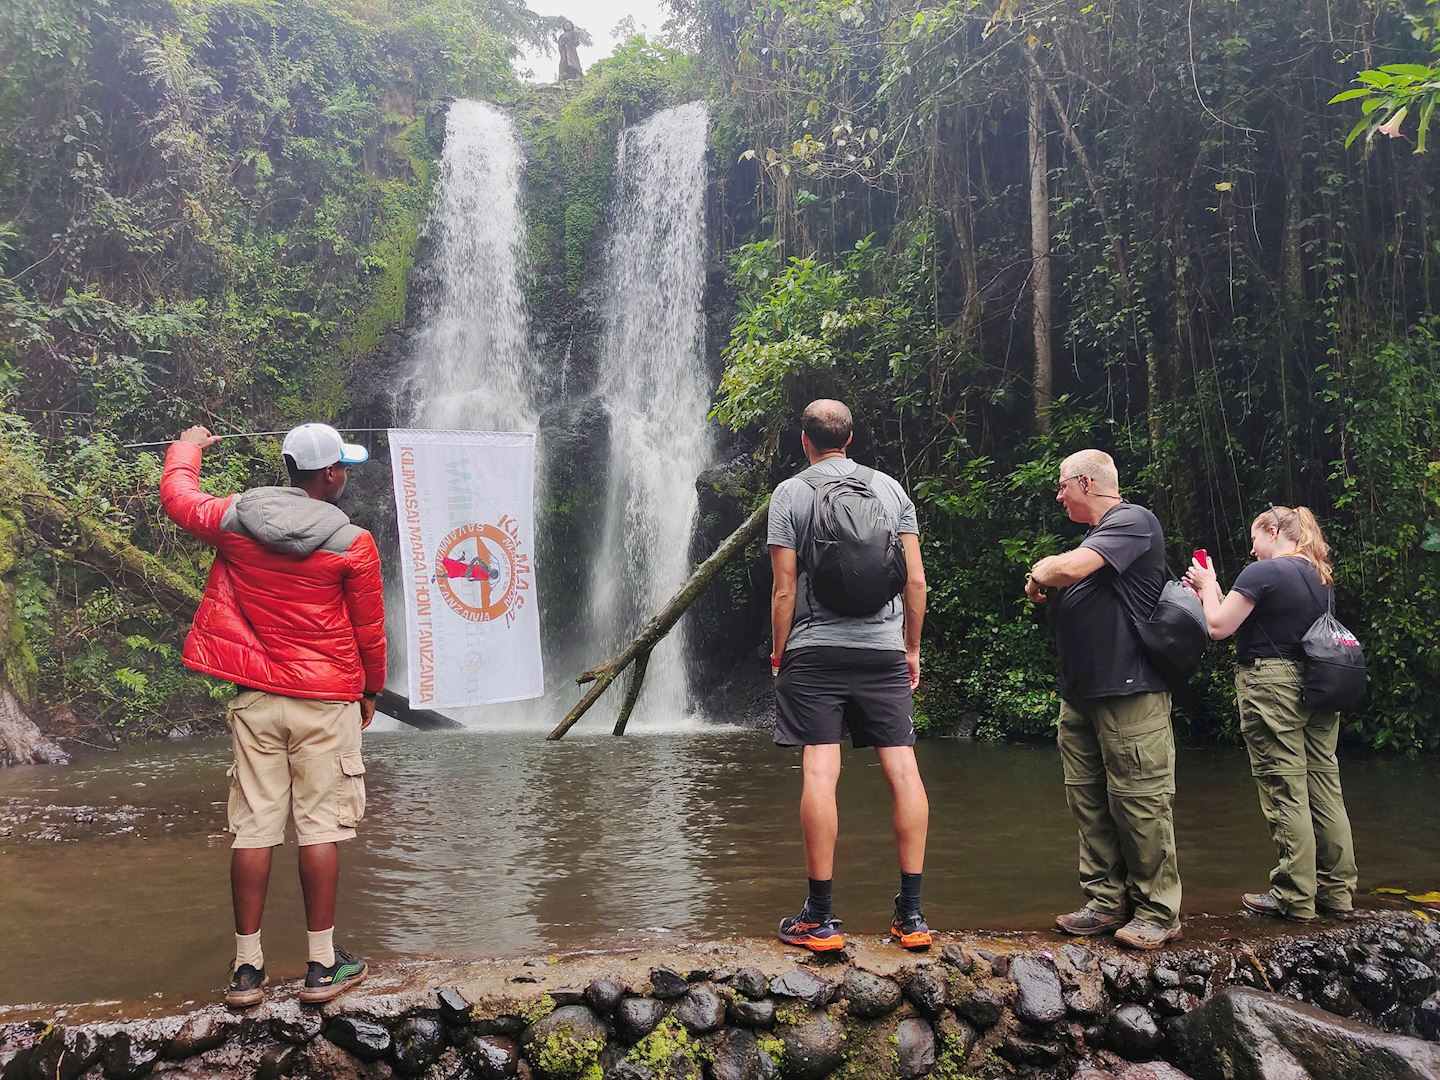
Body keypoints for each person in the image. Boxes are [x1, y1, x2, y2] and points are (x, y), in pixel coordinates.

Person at [160, 422, 386, 1007]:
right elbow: (369, 631)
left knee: (254, 826)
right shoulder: (353, 542)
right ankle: (321, 965)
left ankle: (246, 972)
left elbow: (179, 498)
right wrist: (371, 691)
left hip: (258, 697)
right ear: (330, 474)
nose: (345, 476)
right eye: (344, 467)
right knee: (321, 826)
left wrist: (188, 449)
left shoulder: (237, 522)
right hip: (326, 698)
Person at [768, 399, 931, 952]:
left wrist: (779, 653)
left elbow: (784, 588)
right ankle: (911, 918)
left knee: (820, 769)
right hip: (883, 650)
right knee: (904, 771)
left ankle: (821, 918)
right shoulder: (891, 491)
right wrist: (910, 648)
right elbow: (915, 582)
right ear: (852, 439)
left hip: (815, 651)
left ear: (804, 440)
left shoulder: (790, 493)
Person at [1026, 449, 1182, 950]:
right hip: (1081, 695)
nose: (1058, 495)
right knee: (1088, 801)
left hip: (1131, 692)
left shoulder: (1133, 521)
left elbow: (1067, 570)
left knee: (1140, 801)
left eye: (1061, 486)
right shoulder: (1098, 538)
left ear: (1087, 483)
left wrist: (1040, 568)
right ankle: (1105, 901)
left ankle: (1158, 910)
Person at [1184, 505, 1358, 921]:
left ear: (1275, 529)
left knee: (1285, 785)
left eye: (1255, 537)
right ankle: (1336, 893)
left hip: (1273, 684)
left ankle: (1293, 896)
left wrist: (1208, 586)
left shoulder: (1263, 573)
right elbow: (1259, 622)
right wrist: (1215, 595)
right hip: (1320, 682)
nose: (1252, 547)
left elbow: (1218, 627)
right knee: (1324, 785)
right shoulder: (1320, 577)